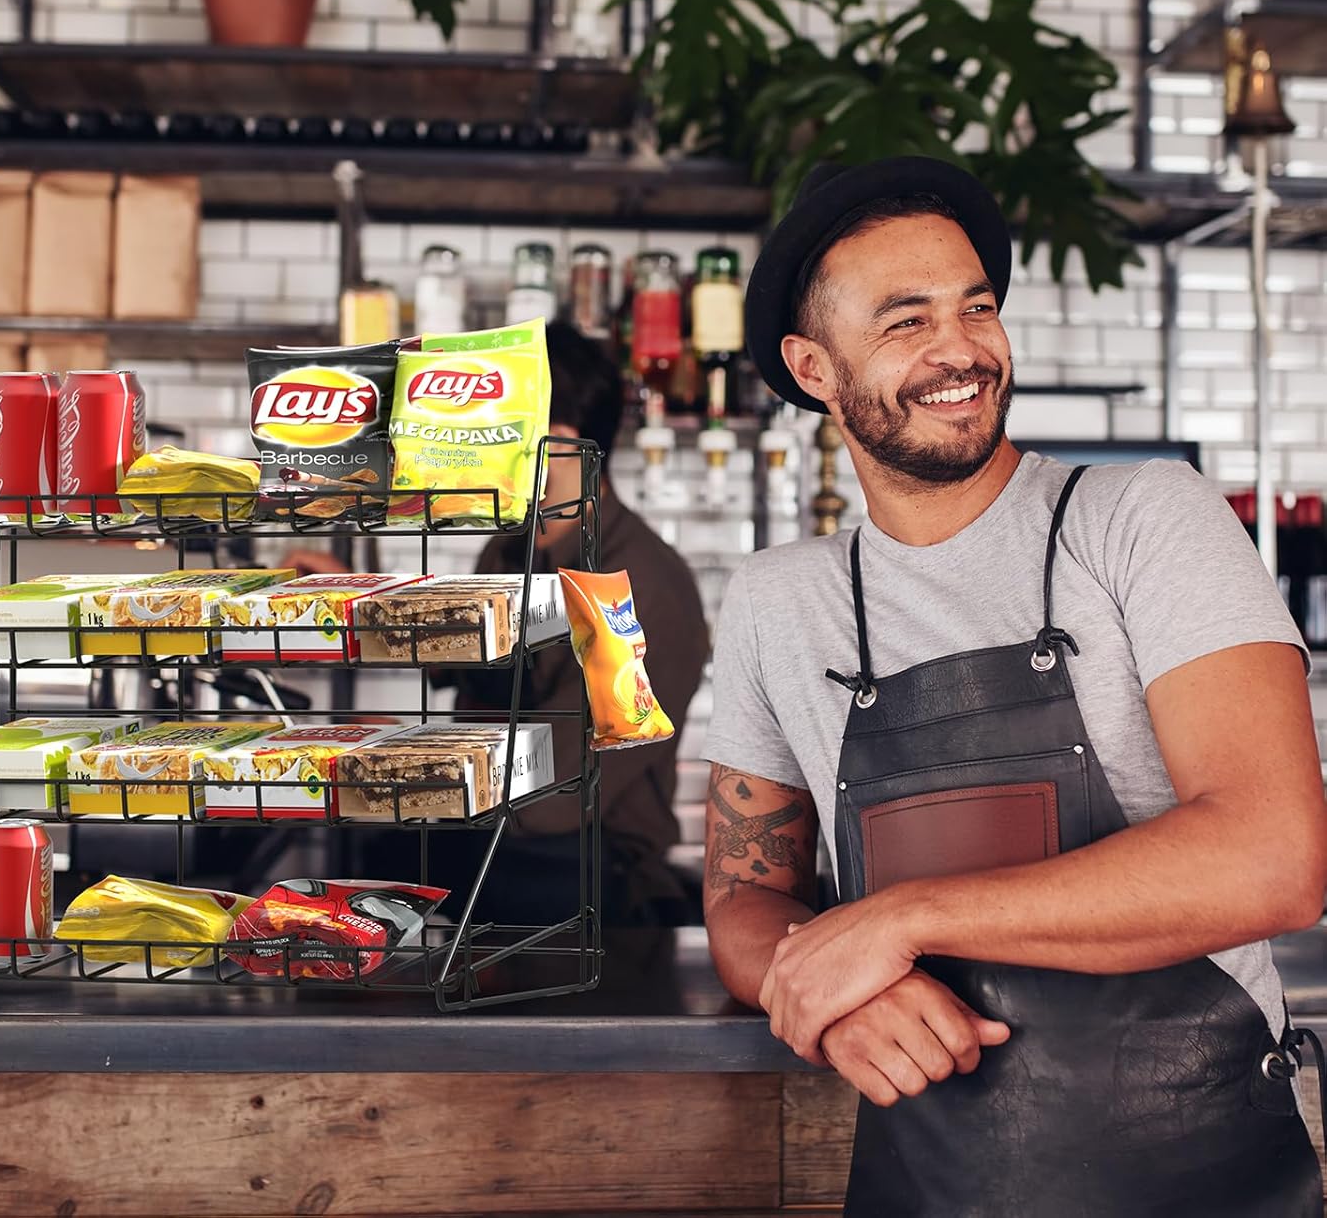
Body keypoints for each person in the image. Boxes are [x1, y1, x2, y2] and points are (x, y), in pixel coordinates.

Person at [702, 156, 1327, 1216]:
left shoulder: (1141, 519)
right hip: (926, 1184)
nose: (960, 349)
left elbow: (1275, 859)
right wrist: (823, 991)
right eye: (906, 320)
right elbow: (744, 896)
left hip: (1200, 1176)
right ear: (814, 368)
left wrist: (897, 922)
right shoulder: (779, 600)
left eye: (977, 306)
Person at [302, 323, 709, 927]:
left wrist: (410, 763)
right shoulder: (511, 547)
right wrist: (356, 606)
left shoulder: (637, 586)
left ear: (558, 441)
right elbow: (463, 655)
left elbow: (555, 787)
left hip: (584, 879)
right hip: (493, 845)